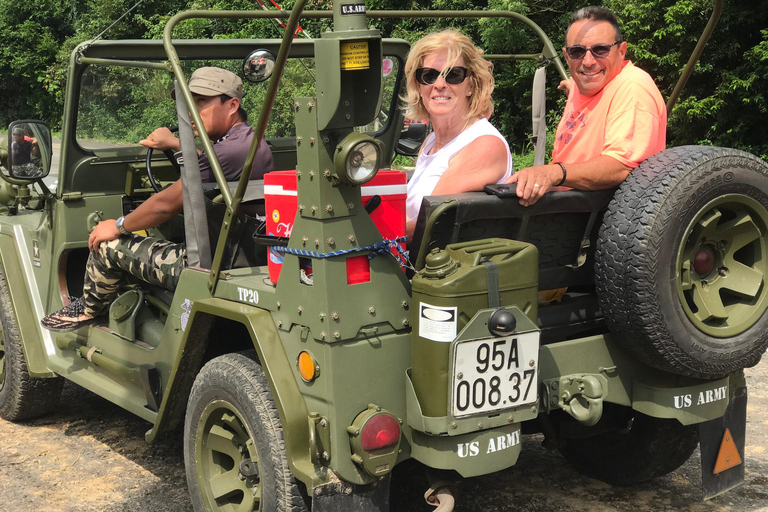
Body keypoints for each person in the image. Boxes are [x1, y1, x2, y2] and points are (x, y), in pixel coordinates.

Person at [40, 67, 274, 332]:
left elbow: (164, 205)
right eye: (190, 102)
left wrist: (117, 225)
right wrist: (176, 143)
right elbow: (206, 167)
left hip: (206, 264)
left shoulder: (226, 152)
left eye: (202, 102)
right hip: (239, 254)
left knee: (108, 246)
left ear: (232, 105)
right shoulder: (247, 142)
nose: (191, 113)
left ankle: (89, 310)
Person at [507, 6, 666, 206]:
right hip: (561, 204)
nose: (589, 61)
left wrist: (554, 172)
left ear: (621, 51)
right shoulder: (585, 84)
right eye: (577, 52)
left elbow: (621, 166)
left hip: (592, 219)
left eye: (601, 50)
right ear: (567, 57)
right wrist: (572, 85)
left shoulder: (633, 88)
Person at [403, 29, 513, 239]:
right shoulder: (431, 142)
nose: (439, 84)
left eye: (453, 75)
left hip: (442, 266)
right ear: (418, 85)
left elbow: (427, 222)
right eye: (428, 75)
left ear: (471, 85)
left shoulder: (484, 145)